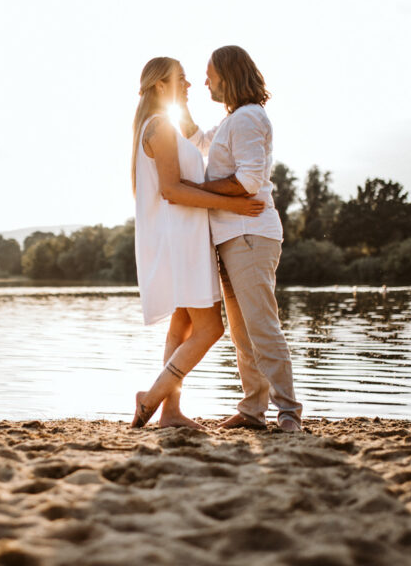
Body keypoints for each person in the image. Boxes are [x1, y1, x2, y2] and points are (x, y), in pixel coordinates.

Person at [130, 57, 265, 429]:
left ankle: (170, 414)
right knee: (211, 329)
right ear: (161, 86)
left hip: (184, 237)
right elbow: (173, 190)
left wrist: (183, 105)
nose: (190, 85)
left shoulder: (164, 124)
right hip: (181, 240)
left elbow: (196, 147)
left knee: (184, 323)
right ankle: (153, 397)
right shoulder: (158, 126)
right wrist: (234, 203)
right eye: (182, 80)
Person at [179, 45, 304, 432]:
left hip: (250, 234)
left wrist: (196, 188)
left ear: (228, 75)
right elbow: (199, 140)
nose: (205, 82)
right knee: (241, 330)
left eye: (210, 74)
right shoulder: (235, 121)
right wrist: (176, 103)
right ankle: (252, 410)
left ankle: (287, 412)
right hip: (233, 235)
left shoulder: (248, 119)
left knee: (261, 325)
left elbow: (250, 181)